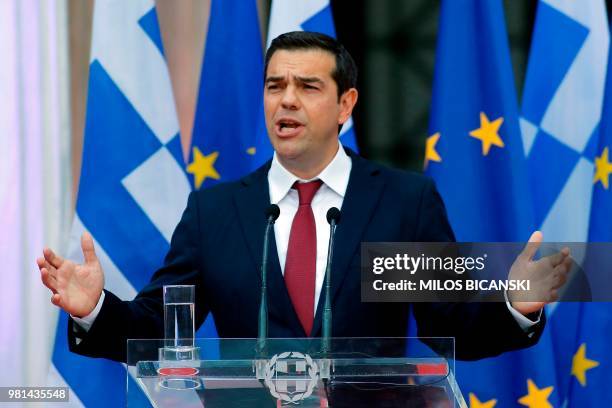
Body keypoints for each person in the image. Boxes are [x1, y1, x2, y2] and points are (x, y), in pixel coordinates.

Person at [38, 31, 571, 363]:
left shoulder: (401, 203)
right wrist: (95, 311)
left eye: (308, 87)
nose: (286, 100)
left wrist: (513, 306)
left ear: (346, 104)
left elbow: (449, 325)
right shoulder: (217, 211)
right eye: (274, 86)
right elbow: (160, 329)